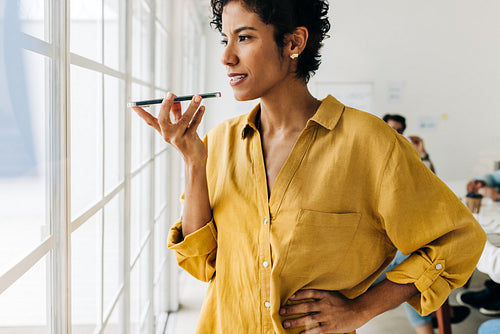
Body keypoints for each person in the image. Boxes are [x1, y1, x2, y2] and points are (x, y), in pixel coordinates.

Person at [133, 0, 486, 333]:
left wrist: (361, 309)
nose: (226, 57)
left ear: (294, 42)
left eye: (244, 38)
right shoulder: (219, 143)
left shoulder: (369, 143)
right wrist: (193, 160)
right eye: (225, 40)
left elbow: (458, 240)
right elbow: (201, 263)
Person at [382, 114, 471, 334]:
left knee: (441, 249)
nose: (395, 133)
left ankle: (441, 314)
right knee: (416, 269)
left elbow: (431, 181)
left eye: (399, 130)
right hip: (389, 236)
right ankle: (433, 322)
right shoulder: (376, 153)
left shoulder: (404, 151)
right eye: (391, 128)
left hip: (408, 227)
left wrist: (422, 153)